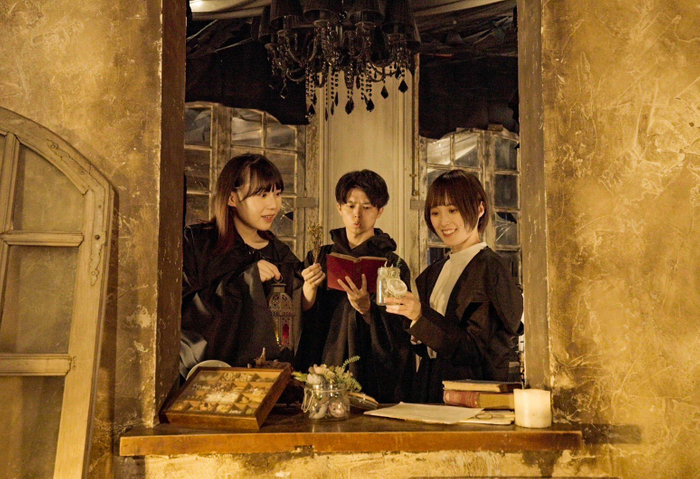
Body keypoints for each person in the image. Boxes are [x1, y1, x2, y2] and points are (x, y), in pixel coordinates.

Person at [385, 170, 523, 403]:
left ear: (479, 209)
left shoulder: (491, 269)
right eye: (435, 212)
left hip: (472, 397)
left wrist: (420, 316)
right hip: (429, 391)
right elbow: (428, 349)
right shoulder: (434, 272)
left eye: (453, 210)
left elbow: (478, 351)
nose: (443, 222)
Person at [180, 153, 324, 376]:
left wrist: (307, 291)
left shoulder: (279, 253)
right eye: (262, 195)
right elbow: (185, 313)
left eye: (277, 194)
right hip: (209, 376)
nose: (273, 205)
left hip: (265, 378)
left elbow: (290, 328)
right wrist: (247, 280)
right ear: (232, 198)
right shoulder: (198, 243)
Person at [299, 170, 413, 403]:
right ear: (339, 207)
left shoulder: (392, 263)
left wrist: (367, 309)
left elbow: (399, 327)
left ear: (380, 210)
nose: (357, 214)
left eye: (367, 207)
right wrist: (308, 290)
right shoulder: (319, 256)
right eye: (350, 206)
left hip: (370, 364)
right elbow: (300, 316)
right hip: (325, 354)